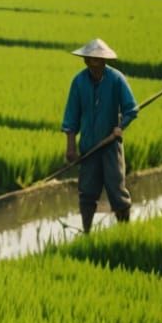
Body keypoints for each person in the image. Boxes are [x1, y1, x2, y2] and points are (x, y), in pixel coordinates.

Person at [63, 39, 138, 233]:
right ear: (85, 60)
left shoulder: (116, 79)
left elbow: (131, 109)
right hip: (89, 148)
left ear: (104, 61)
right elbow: (71, 117)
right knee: (87, 192)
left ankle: (125, 233)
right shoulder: (79, 82)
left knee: (117, 191)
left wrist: (120, 127)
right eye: (89, 60)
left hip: (111, 146)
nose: (93, 64)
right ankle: (86, 232)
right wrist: (71, 147)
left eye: (97, 60)